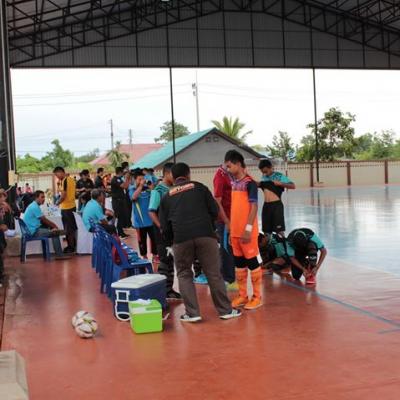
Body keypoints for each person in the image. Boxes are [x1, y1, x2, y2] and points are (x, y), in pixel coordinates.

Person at [159, 162, 241, 322]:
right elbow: (214, 211)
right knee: (214, 274)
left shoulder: (167, 197)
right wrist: (208, 226)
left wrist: (170, 242)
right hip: (206, 236)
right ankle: (225, 311)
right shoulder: (200, 187)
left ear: (173, 177)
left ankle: (192, 313)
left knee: (184, 274)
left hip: (181, 239)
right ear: (188, 174)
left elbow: (165, 226)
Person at [225, 150, 262, 310]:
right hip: (235, 232)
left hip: (247, 233)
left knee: (253, 263)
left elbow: (254, 207)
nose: (227, 169)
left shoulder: (250, 183)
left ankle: (257, 297)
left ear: (238, 164)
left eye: (229, 166)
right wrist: (231, 231)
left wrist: (248, 229)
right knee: (239, 265)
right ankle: (242, 295)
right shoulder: (234, 183)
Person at [148, 162, 181, 300]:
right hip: (162, 232)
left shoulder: (174, 188)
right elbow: (151, 211)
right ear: (167, 174)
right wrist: (161, 226)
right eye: (174, 174)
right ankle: (164, 291)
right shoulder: (158, 191)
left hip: (172, 231)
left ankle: (169, 289)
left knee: (170, 258)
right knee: (164, 260)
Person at [23, 190, 71, 259]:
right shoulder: (34, 207)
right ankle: (60, 255)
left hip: (31, 230)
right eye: (42, 197)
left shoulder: (33, 205)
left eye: (44, 197)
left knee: (53, 229)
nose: (44, 199)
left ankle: (59, 252)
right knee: (55, 233)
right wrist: (55, 226)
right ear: (36, 198)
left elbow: (42, 220)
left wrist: (51, 227)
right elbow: (44, 220)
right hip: (33, 232)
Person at [213, 152, 236, 288]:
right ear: (228, 163)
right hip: (224, 220)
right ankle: (228, 279)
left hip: (233, 217)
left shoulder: (230, 175)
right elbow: (217, 201)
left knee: (232, 247)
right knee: (226, 248)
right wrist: (226, 221)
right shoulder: (220, 177)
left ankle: (231, 275)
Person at [258, 159, 295, 236]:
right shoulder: (264, 177)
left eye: (266, 171)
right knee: (266, 231)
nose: (265, 174)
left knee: (279, 231)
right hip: (266, 206)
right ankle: (269, 243)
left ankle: (283, 243)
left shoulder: (279, 176)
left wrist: (280, 183)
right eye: (263, 172)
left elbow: (293, 186)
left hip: (276, 206)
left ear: (271, 167)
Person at [129, 169, 157, 259]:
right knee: (142, 240)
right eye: (139, 179)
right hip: (140, 222)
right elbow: (133, 197)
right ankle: (144, 257)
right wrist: (140, 186)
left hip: (151, 220)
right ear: (135, 180)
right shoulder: (132, 189)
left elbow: (155, 197)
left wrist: (152, 188)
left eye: (143, 179)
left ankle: (155, 256)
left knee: (154, 239)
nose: (142, 181)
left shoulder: (147, 189)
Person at [53, 166, 77, 254]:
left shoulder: (65, 180)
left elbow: (63, 196)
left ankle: (71, 247)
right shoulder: (70, 179)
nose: (57, 177)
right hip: (71, 206)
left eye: (57, 175)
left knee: (68, 228)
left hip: (67, 208)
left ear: (61, 172)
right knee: (71, 228)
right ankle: (72, 245)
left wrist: (56, 203)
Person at [110, 167, 131, 239]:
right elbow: (125, 186)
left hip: (121, 201)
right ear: (119, 172)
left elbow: (126, 186)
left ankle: (121, 232)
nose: (123, 174)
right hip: (117, 201)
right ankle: (119, 234)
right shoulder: (116, 179)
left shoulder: (119, 179)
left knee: (122, 217)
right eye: (123, 172)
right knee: (119, 217)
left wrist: (127, 178)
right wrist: (127, 178)